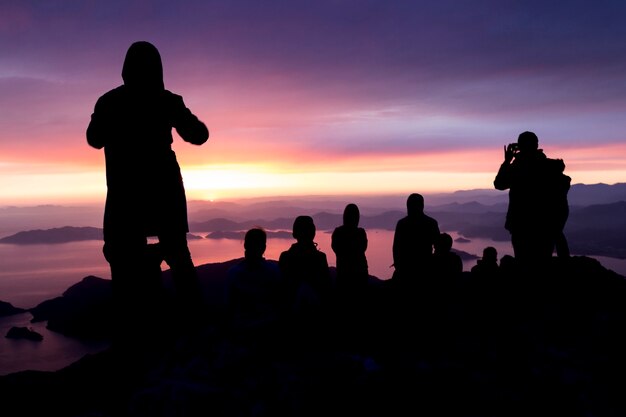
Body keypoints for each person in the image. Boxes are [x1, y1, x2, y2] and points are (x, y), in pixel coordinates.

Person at [86, 41, 209, 336]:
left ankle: (133, 331)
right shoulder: (168, 100)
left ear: (126, 69)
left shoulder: (109, 102)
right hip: (164, 190)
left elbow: (94, 138)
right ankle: (195, 326)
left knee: (123, 260)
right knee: (178, 255)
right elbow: (199, 134)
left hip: (125, 193)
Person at [494, 131, 570, 267]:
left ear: (520, 146)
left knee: (523, 263)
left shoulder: (517, 168)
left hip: (521, 225)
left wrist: (507, 161)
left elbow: (499, 184)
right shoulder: (550, 166)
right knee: (542, 263)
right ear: (536, 145)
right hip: (545, 225)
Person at [225, 228, 287, 345]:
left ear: (245, 245)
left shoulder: (233, 273)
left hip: (241, 330)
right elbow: (280, 301)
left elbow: (229, 306)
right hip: (269, 329)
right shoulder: (274, 271)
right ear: (264, 247)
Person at [279, 215, 332, 331]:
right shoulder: (320, 258)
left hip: (291, 316)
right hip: (315, 317)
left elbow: (282, 288)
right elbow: (327, 289)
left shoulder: (285, 257)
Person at [391, 193, 441, 286]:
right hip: (425, 270)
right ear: (422, 205)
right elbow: (439, 246)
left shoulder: (402, 224)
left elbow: (396, 248)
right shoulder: (431, 223)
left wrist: (398, 267)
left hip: (406, 271)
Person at [331, 203, 369, 301]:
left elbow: (335, 249)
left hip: (343, 276)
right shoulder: (361, 233)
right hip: (360, 277)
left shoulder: (338, 233)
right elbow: (363, 248)